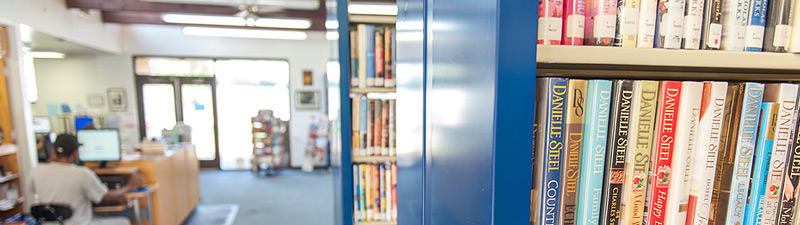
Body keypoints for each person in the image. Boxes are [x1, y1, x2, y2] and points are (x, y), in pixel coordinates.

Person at [26, 134, 145, 225]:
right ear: (75, 153)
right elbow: (104, 197)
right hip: (79, 223)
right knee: (124, 222)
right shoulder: (82, 174)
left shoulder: (36, 171)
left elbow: (31, 191)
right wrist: (129, 186)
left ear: (53, 151)